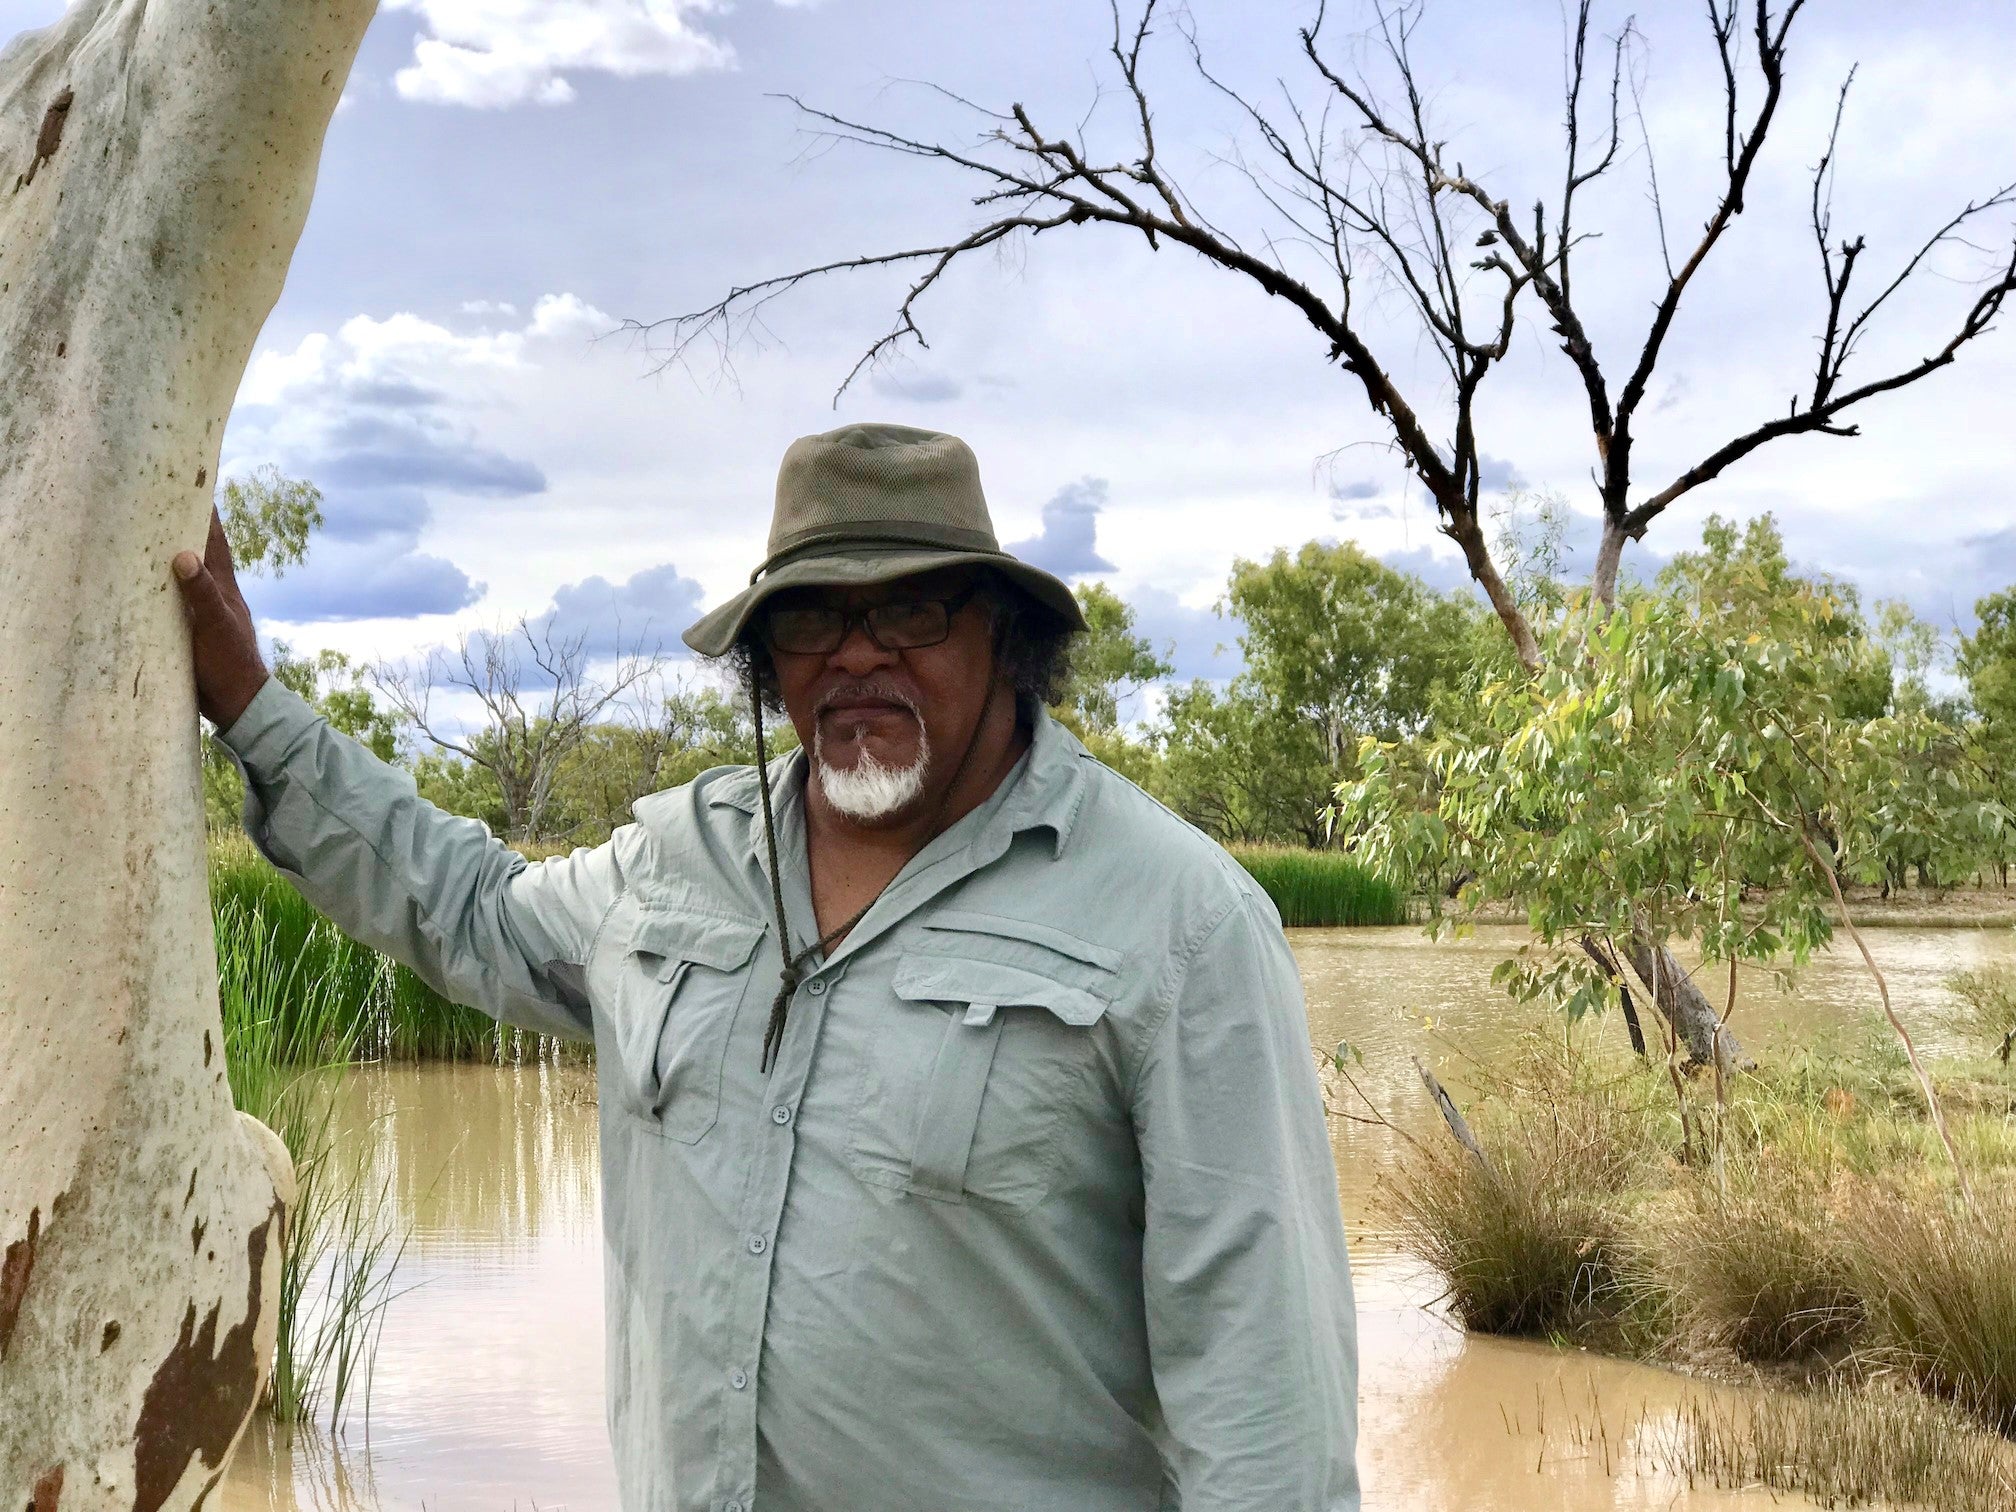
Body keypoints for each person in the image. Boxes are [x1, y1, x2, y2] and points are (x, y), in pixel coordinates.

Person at [176, 422, 1359, 1512]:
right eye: (811, 620)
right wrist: (249, 704)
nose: (855, 657)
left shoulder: (1182, 922)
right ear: (766, 658)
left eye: (911, 613)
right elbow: (472, 909)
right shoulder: (679, 862)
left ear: (1005, 634)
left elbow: (1265, 1405)